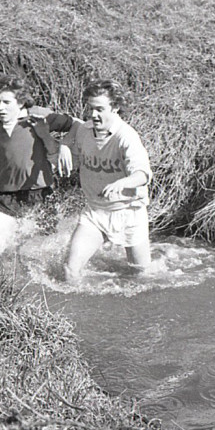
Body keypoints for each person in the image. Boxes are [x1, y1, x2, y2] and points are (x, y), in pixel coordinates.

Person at [0, 76, 73, 260]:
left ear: (21, 102)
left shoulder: (39, 116)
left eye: (7, 102)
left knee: (42, 255)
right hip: (5, 196)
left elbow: (75, 125)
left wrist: (65, 146)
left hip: (39, 193)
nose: (1, 107)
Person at [59, 79, 152, 280]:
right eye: (91, 108)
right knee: (70, 269)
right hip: (96, 212)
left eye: (100, 109)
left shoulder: (126, 137)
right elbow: (74, 132)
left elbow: (142, 174)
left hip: (129, 212)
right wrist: (64, 146)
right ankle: (73, 310)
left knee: (142, 276)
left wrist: (122, 183)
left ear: (115, 107)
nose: (94, 115)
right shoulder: (85, 130)